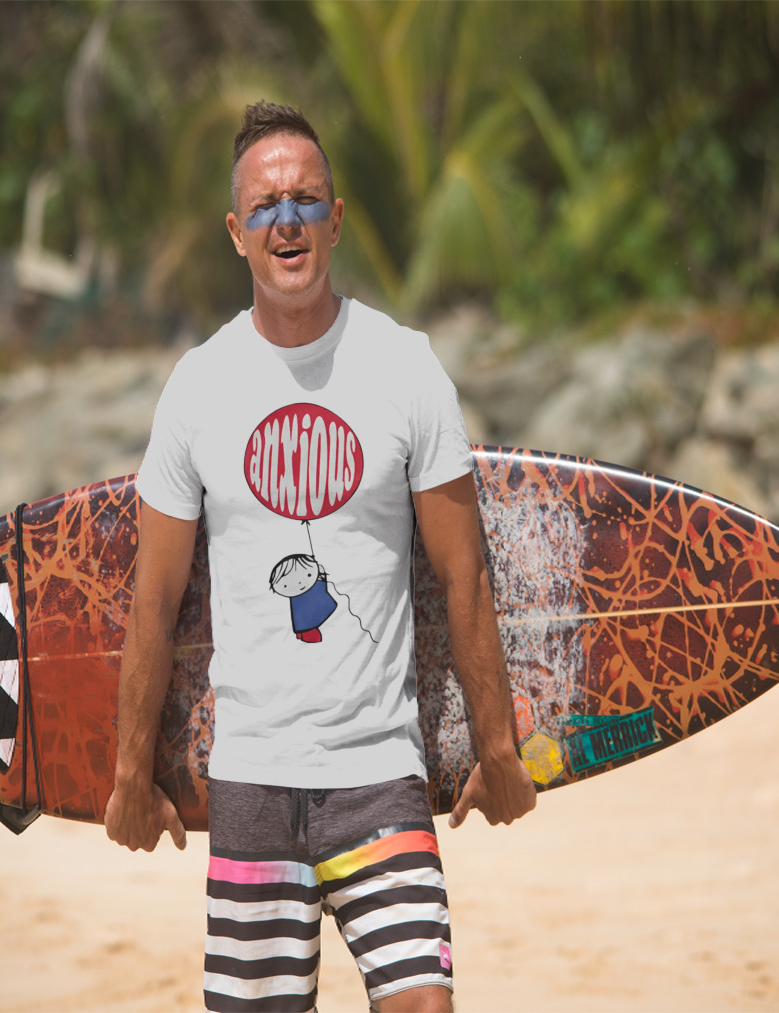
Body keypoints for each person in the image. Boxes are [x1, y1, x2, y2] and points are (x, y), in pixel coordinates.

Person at [105, 100, 536, 1013]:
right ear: (236, 233)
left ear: (335, 219)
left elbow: (463, 574)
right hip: (252, 781)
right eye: (265, 206)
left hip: (380, 775)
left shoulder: (406, 368)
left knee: (425, 1004)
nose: (287, 220)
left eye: (305, 200)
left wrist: (497, 745)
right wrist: (129, 772)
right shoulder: (199, 387)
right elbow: (155, 598)